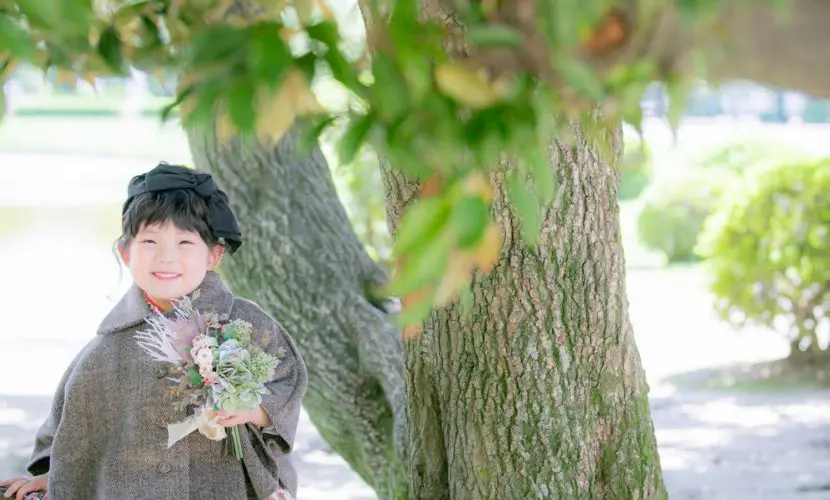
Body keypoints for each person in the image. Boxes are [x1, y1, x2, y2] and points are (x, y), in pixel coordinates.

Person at [0, 163, 308, 500]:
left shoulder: (246, 323)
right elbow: (71, 425)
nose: (166, 256)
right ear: (125, 252)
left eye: (184, 242)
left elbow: (287, 385)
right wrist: (59, 476)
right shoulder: (105, 349)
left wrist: (250, 409)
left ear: (214, 255)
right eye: (149, 240)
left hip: (229, 487)